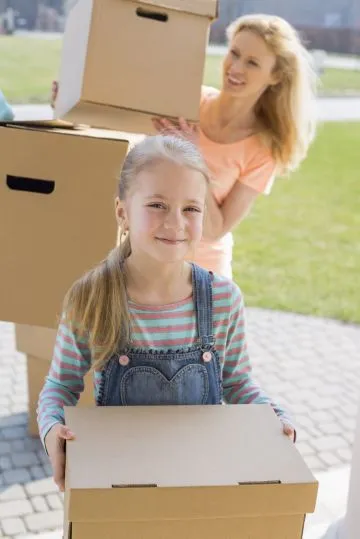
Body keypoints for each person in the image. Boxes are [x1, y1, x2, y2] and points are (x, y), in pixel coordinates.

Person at [37, 135, 295, 492]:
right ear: (122, 212)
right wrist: (53, 430)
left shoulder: (224, 299)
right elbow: (59, 386)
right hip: (122, 485)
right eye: (157, 204)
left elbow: (237, 383)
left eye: (192, 208)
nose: (176, 223)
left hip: (199, 482)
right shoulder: (90, 298)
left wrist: (274, 416)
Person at [153, 14, 318, 278]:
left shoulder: (263, 150)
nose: (236, 68)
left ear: (275, 76)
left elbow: (215, 229)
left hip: (201, 277)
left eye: (252, 63)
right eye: (235, 53)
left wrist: (192, 159)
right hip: (148, 261)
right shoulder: (187, 101)